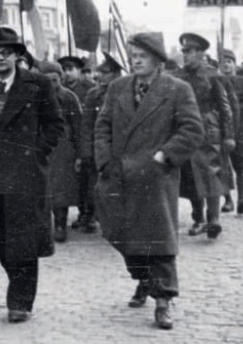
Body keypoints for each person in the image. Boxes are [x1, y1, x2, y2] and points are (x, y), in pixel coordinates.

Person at [95, 32, 203, 330]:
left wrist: (164, 155)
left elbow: (192, 129)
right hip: (120, 175)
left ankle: (164, 300)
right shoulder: (118, 87)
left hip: (155, 177)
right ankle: (143, 279)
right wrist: (105, 161)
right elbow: (102, 125)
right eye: (133, 56)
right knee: (122, 235)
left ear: (157, 60)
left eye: (142, 56)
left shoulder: (177, 89)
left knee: (159, 241)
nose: (136, 61)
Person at [0, 27, 64, 323]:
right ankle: (18, 287)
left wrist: (35, 152)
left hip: (25, 175)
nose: (0, 58)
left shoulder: (38, 84)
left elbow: (55, 125)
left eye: (7, 52)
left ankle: (20, 302)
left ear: (18, 55)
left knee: (24, 241)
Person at [174, 33, 234, 239]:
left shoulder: (213, 75)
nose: (185, 55)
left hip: (210, 130)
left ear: (200, 53)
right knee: (190, 175)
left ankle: (213, 219)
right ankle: (198, 218)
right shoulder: (178, 76)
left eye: (189, 51)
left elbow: (225, 107)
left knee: (212, 174)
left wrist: (229, 135)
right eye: (183, 51)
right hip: (186, 129)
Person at [80, 52, 125, 232]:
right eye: (100, 72)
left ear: (115, 74)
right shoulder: (93, 95)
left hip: (121, 148)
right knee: (96, 186)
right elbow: (86, 125)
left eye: (105, 73)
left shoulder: (126, 92)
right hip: (99, 147)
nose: (100, 76)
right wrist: (86, 151)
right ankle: (92, 216)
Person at [39, 62, 82, 243]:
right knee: (42, 187)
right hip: (42, 145)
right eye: (47, 80)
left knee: (61, 188)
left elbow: (78, 126)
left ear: (61, 78)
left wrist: (79, 154)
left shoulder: (69, 97)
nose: (52, 84)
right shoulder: (35, 97)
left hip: (63, 147)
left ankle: (60, 225)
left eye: (55, 80)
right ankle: (43, 226)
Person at [57, 55, 97, 231]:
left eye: (71, 69)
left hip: (88, 137)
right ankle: (82, 213)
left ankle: (91, 215)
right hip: (70, 142)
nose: (67, 73)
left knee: (89, 180)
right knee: (76, 180)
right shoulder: (61, 89)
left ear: (79, 71)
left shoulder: (90, 88)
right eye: (64, 70)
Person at [220, 49, 243, 213]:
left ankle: (242, 199)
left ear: (234, 64)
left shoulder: (241, 81)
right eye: (223, 62)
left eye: (229, 61)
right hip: (220, 127)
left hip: (240, 126)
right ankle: (228, 199)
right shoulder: (215, 81)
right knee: (221, 165)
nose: (226, 65)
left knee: (240, 164)